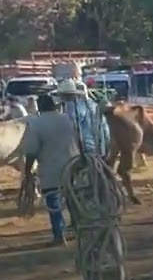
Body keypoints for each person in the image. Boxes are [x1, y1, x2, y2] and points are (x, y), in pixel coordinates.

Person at [20, 94, 80, 246]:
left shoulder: (36, 124)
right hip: (72, 165)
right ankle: (79, 229)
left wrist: (27, 172)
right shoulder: (67, 119)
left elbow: (31, 151)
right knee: (73, 199)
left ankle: (59, 236)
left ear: (39, 107)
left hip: (51, 168)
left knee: (53, 203)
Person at [55, 79, 108, 158]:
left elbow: (70, 125)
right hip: (94, 147)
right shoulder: (93, 106)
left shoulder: (72, 106)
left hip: (80, 149)